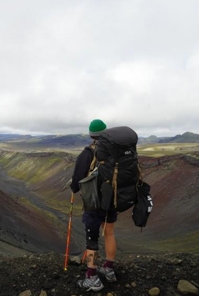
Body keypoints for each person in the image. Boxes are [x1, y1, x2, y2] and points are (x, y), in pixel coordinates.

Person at [70, 119, 117, 292]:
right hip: (112, 201)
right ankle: (109, 268)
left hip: (94, 203)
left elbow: (76, 183)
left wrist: (73, 187)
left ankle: (92, 277)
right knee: (110, 233)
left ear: (91, 134)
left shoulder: (88, 153)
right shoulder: (116, 151)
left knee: (92, 239)